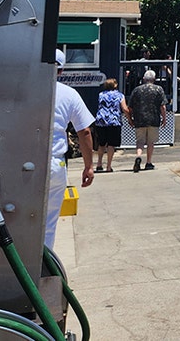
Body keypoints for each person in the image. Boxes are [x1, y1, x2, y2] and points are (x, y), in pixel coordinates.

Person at [50, 49, 94, 248]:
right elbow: (84, 131)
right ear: (61, 71)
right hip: (53, 162)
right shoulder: (69, 94)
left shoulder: (24, 89)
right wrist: (89, 166)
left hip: (20, 159)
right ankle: (42, 268)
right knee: (49, 222)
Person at [126, 70, 166, 172]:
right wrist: (164, 119)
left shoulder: (136, 90)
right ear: (154, 79)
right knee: (150, 142)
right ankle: (148, 162)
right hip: (154, 119)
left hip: (139, 119)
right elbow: (163, 106)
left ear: (144, 79)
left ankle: (138, 156)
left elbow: (129, 107)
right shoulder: (158, 89)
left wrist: (130, 119)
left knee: (140, 141)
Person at [94, 77, 128, 173]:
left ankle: (99, 164)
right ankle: (108, 166)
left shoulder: (101, 95)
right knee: (111, 145)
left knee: (101, 144)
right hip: (114, 121)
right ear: (115, 85)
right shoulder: (120, 95)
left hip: (101, 121)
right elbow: (124, 108)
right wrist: (129, 117)